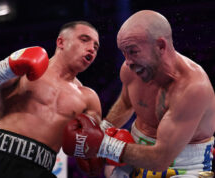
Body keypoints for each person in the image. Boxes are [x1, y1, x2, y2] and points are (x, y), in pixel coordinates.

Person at [62, 10, 215, 177]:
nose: (127, 61)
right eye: (124, 53)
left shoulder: (193, 87)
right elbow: (127, 103)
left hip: (184, 166)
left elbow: (160, 159)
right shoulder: (131, 70)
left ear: (160, 46)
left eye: (133, 51)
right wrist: (102, 130)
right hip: (135, 155)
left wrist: (103, 145)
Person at [0, 21, 103, 178]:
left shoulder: (89, 98)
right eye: (84, 40)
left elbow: (91, 151)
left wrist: (89, 153)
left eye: (96, 46)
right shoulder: (25, 68)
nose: (91, 48)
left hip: (41, 169)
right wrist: (6, 68)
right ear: (61, 42)